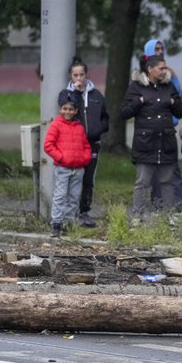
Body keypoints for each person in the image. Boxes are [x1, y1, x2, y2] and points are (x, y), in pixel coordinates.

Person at [120, 54, 182, 221]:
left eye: (165, 68)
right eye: (161, 68)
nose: (165, 71)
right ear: (150, 69)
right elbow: (124, 113)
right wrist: (140, 100)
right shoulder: (136, 87)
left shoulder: (169, 87)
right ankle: (137, 216)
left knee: (167, 181)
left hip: (166, 142)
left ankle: (168, 216)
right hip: (145, 143)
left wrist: (173, 102)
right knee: (142, 182)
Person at [140, 39, 182, 206]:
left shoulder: (169, 74)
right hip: (148, 131)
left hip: (167, 128)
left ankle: (179, 203)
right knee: (150, 171)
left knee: (171, 169)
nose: (160, 51)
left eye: (161, 48)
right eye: (156, 49)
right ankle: (157, 202)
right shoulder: (140, 78)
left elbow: (178, 97)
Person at [66, 56, 109, 227]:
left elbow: (105, 118)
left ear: (86, 75)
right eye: (75, 75)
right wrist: (76, 93)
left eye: (81, 75)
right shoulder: (68, 95)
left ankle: (84, 211)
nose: (79, 79)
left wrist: (98, 130)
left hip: (92, 144)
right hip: (74, 145)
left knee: (88, 179)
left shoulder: (96, 95)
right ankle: (71, 212)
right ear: (71, 76)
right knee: (73, 178)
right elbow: (66, 113)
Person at [44, 90, 92, 237]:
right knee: (60, 195)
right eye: (65, 108)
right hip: (63, 168)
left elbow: (86, 146)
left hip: (78, 169)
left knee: (74, 196)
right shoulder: (56, 125)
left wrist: (85, 158)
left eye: (71, 109)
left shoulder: (79, 127)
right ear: (60, 109)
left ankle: (68, 223)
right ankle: (56, 223)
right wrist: (61, 158)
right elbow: (48, 145)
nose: (68, 111)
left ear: (76, 110)